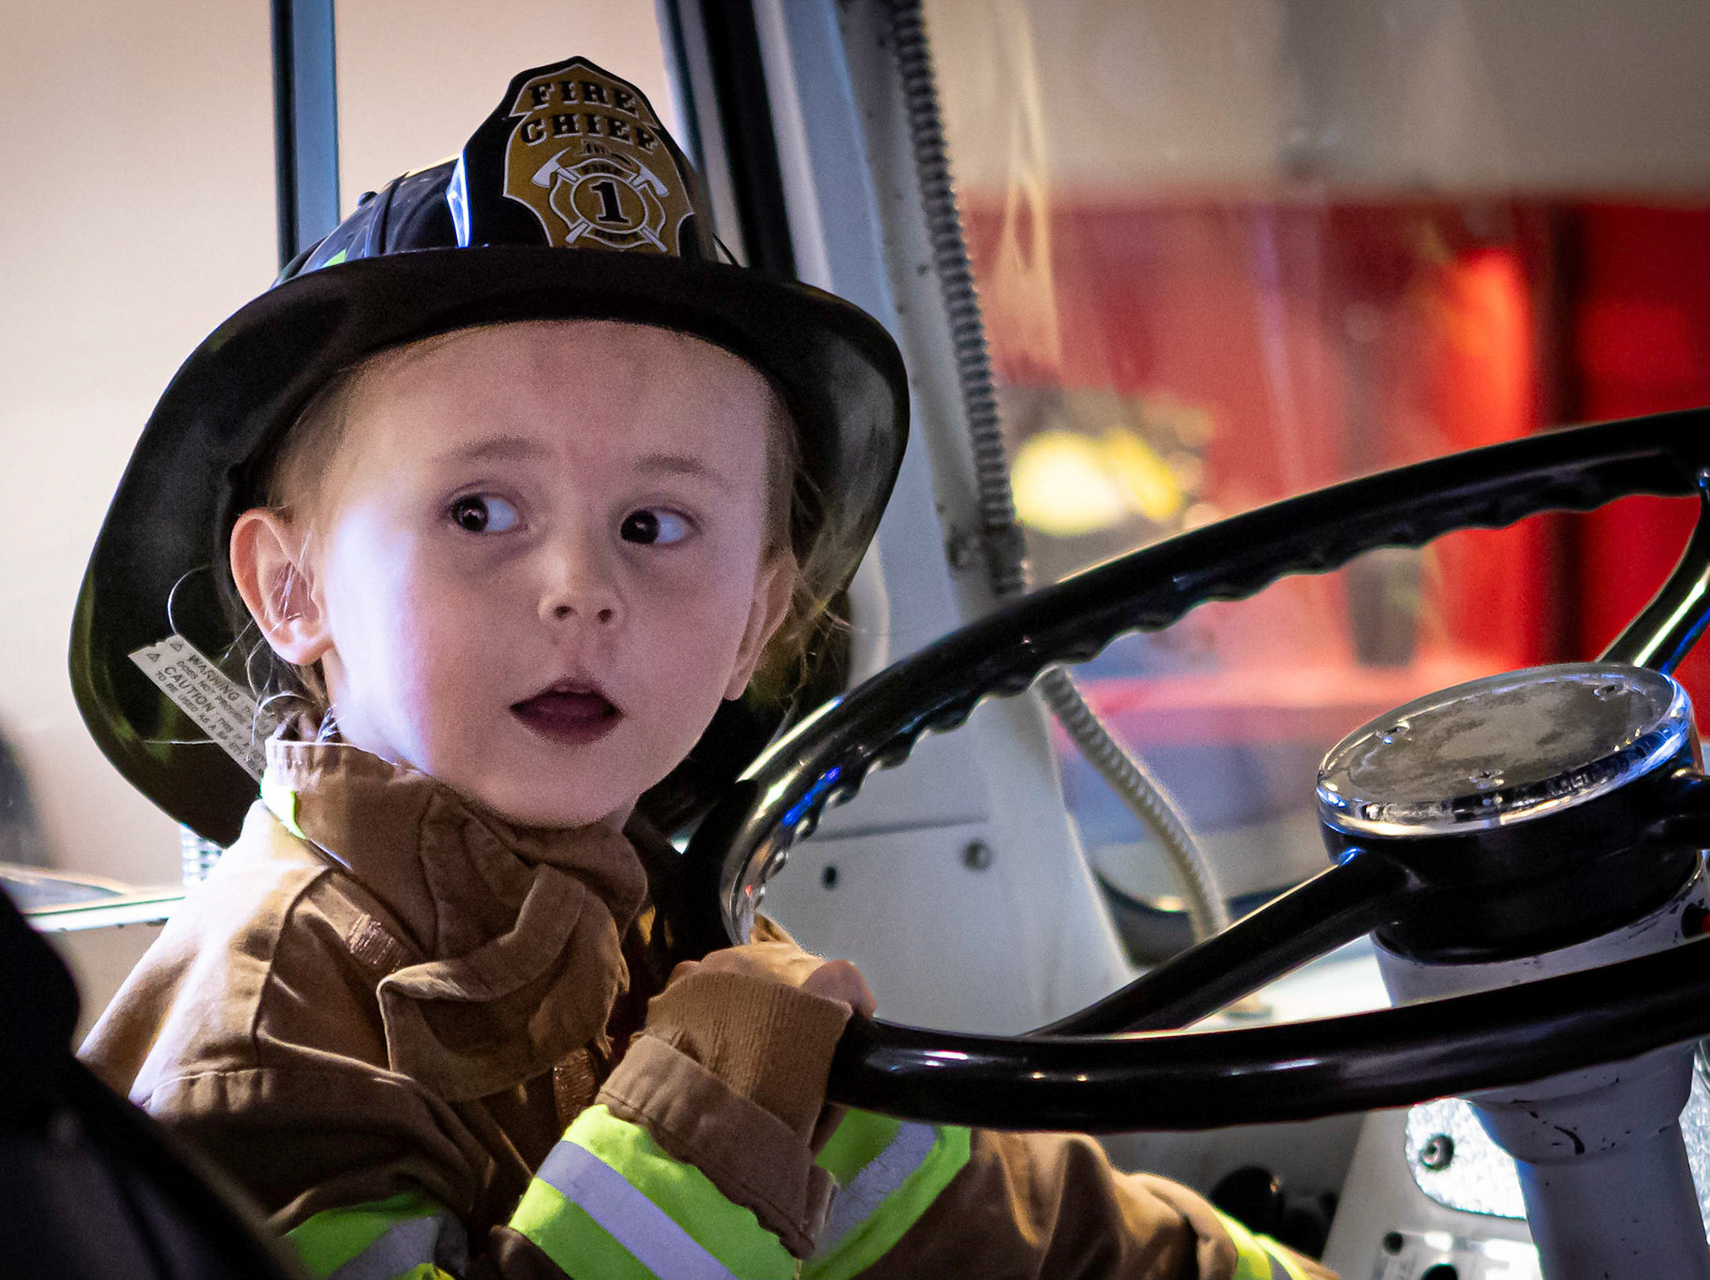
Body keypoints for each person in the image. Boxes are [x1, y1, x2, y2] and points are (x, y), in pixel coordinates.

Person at [71, 57, 1331, 1280]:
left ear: (754, 619)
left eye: (655, 525)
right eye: (478, 513)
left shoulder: (671, 937)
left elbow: (1008, 1221)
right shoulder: (268, 1030)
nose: (581, 586)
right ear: (291, 589)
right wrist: (711, 1122)